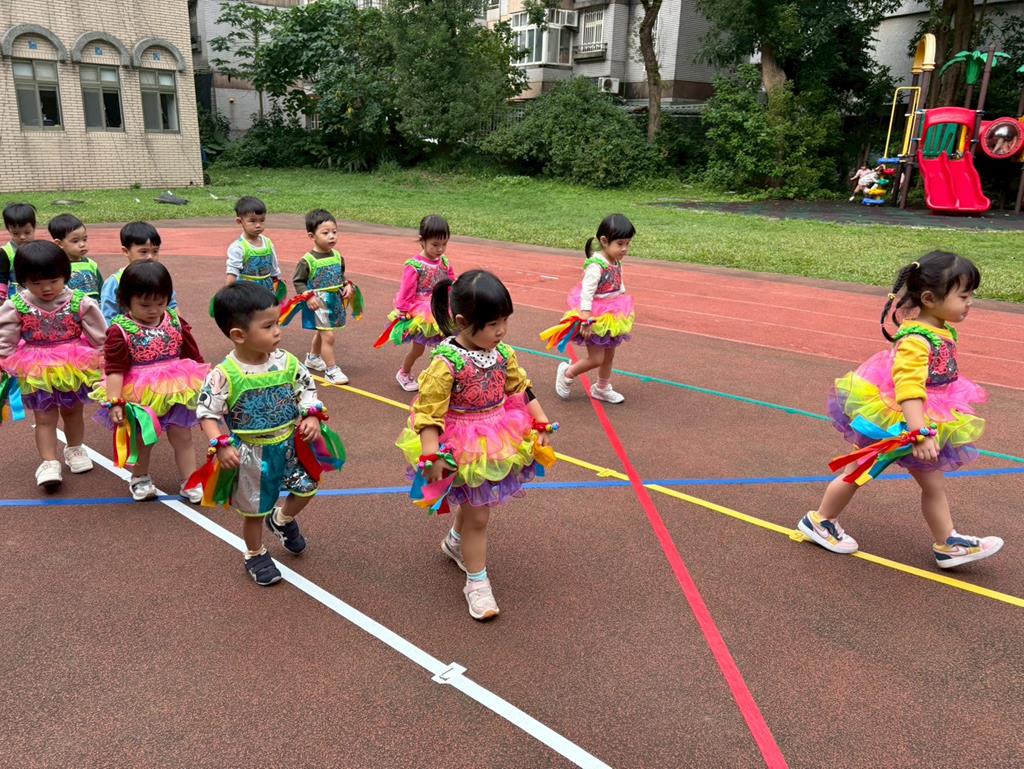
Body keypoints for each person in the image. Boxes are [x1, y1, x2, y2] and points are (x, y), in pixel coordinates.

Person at [799, 251, 1003, 569]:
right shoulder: (917, 340)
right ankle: (820, 521)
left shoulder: (939, 329)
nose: (970, 302)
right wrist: (919, 432)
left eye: (971, 295)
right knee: (858, 472)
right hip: (899, 423)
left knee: (930, 483)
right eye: (964, 296)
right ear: (929, 299)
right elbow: (909, 388)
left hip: (924, 419)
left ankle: (948, 543)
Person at [396, 270, 556, 620]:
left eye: (505, 321)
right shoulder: (446, 363)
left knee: (475, 502)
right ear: (462, 322)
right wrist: (431, 456)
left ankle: (456, 542)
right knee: (479, 515)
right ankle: (477, 582)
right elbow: (428, 414)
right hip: (461, 444)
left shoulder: (502, 353)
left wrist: (540, 421)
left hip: (498, 436)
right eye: (493, 324)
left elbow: (520, 388)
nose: (501, 331)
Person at [196, 283, 341, 586]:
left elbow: (306, 388)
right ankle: (255, 553)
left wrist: (311, 414)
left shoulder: (287, 362)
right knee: (254, 510)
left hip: (291, 446)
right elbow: (208, 413)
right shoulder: (225, 374)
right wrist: (220, 444)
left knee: (307, 487)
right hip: (252, 454)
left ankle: (282, 519)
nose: (278, 331)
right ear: (239, 335)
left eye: (277, 323)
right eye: (268, 326)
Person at [90, 261, 208, 502]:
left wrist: (206, 384)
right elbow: (115, 369)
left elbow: (193, 356)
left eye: (160, 302)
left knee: (183, 435)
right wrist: (115, 401)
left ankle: (190, 479)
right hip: (139, 392)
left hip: (177, 387)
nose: (154, 310)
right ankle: (140, 477)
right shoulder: (120, 330)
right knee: (143, 438)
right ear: (126, 301)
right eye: (145, 305)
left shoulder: (175, 321)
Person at [0, 241, 105, 489]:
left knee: (73, 411)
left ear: (65, 275)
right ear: (23, 280)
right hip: (36, 367)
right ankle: (49, 462)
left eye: (53, 281)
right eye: (36, 283)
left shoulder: (80, 302)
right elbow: (5, 339)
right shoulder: (17, 305)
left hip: (73, 364)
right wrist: (5, 362)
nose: (46, 288)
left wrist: (104, 363)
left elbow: (100, 335)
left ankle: (75, 448)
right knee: (44, 417)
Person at [552, 214, 636, 404]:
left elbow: (618, 285)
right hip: (595, 316)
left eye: (628, 243)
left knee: (609, 355)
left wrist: (621, 303)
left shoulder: (616, 261)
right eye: (620, 244)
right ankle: (567, 372)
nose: (625, 248)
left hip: (612, 316)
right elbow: (586, 293)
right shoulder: (596, 266)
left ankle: (602, 388)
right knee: (596, 358)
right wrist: (586, 319)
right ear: (604, 241)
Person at [377, 215, 455, 391]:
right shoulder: (415, 265)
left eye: (444, 244)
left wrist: (456, 296)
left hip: (441, 308)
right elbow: (407, 289)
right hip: (422, 313)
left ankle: (441, 377)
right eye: (435, 244)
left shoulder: (444, 262)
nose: (440, 249)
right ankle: (404, 372)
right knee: (418, 349)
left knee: (446, 346)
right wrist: (403, 310)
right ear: (422, 241)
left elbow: (451, 282)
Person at [292, 209, 353, 385]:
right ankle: (331, 370)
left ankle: (312, 358)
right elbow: (298, 281)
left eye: (334, 232)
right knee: (328, 336)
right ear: (312, 236)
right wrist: (308, 296)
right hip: (318, 302)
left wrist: (346, 284)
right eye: (325, 233)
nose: (331, 236)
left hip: (334, 301)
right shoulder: (307, 260)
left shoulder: (337, 256)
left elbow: (339, 275)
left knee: (322, 332)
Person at [100, 222, 178, 325]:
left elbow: (172, 307)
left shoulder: (160, 277)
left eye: (155, 251)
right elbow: (108, 317)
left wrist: (180, 329)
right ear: (126, 251)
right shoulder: (114, 282)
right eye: (143, 252)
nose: (150, 257)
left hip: (160, 331)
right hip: (128, 333)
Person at [224, 196, 282, 298]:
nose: (258, 225)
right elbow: (232, 272)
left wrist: (277, 281)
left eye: (262, 220)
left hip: (267, 289)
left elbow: (274, 267)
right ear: (239, 221)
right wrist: (227, 295)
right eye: (252, 221)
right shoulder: (238, 247)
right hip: (246, 292)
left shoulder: (268, 243)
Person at [48, 214, 102, 299]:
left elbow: (102, 289)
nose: (82, 244)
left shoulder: (91, 264)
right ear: (59, 243)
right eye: (75, 241)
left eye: (84, 239)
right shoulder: (57, 267)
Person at [1, 202, 36, 300]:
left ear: (34, 227)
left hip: (38, 293)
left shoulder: (41, 248)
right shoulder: (5, 252)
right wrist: (1, 295)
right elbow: (2, 276)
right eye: (16, 233)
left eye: (27, 232)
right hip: (17, 296)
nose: (22, 237)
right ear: (9, 230)